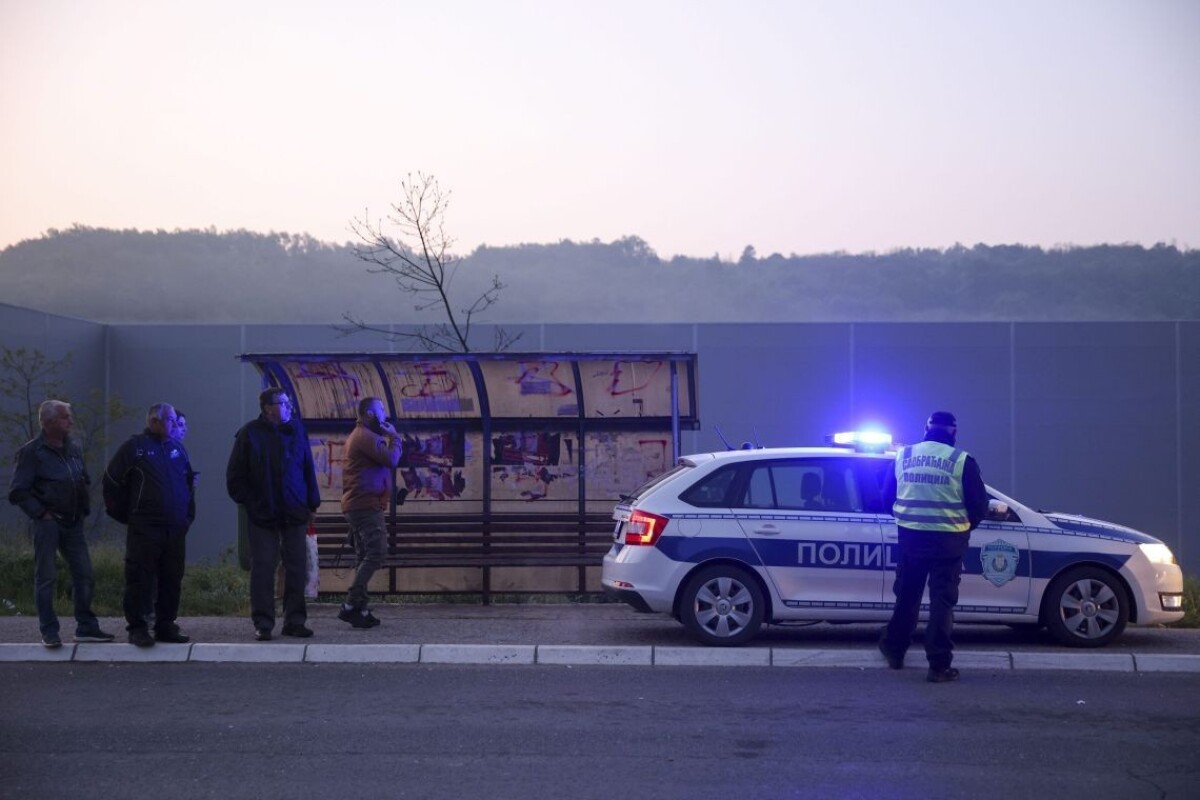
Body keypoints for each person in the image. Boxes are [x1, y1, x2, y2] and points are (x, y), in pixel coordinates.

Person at [878, 411, 988, 683]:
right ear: (954, 433)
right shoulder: (962, 461)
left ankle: (894, 652)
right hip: (948, 543)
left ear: (926, 429)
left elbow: (886, 499)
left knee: (907, 597)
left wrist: (908, 521)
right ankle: (938, 666)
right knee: (942, 602)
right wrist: (963, 527)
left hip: (911, 540)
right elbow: (979, 506)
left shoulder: (903, 456)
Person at [7, 400, 115, 648]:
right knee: (46, 577)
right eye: (65, 417)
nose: (71, 421)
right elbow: (18, 491)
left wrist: (83, 506)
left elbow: (82, 478)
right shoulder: (32, 452)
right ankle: (49, 631)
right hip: (48, 523)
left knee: (84, 574)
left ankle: (86, 627)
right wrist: (41, 513)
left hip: (73, 522)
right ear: (49, 421)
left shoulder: (73, 448)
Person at [226, 388, 320, 641]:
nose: (289, 407)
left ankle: (295, 621)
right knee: (264, 567)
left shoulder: (297, 430)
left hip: (294, 510)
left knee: (296, 567)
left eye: (288, 403)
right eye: (283, 403)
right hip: (263, 513)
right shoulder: (249, 434)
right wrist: (252, 502)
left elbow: (307, 468)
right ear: (268, 408)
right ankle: (264, 623)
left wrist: (312, 503)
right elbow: (235, 477)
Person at [103, 403, 195, 648]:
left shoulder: (177, 449)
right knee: (140, 577)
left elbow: (188, 483)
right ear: (154, 421)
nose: (175, 425)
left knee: (171, 577)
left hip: (175, 527)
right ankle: (138, 627)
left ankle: (166, 625)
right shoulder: (135, 448)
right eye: (171, 420)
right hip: (145, 527)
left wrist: (187, 517)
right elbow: (111, 481)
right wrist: (129, 515)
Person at [338, 396, 402, 628]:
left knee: (364, 555)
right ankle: (350, 604)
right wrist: (395, 437)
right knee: (377, 553)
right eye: (381, 409)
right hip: (365, 505)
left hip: (360, 504)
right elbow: (391, 459)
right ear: (370, 414)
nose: (385, 414)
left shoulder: (363, 436)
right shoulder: (365, 437)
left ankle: (360, 610)